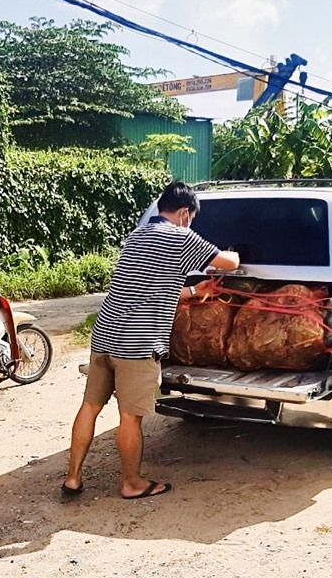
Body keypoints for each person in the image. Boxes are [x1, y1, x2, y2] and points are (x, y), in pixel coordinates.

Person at [63, 181, 240, 499]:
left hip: (104, 336)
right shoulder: (180, 236)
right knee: (130, 416)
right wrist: (237, 252)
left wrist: (196, 292)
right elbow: (229, 264)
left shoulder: (138, 234)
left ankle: (73, 478)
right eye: (192, 218)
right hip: (137, 345)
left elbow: (154, 285)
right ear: (185, 213)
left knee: (90, 406)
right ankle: (131, 483)